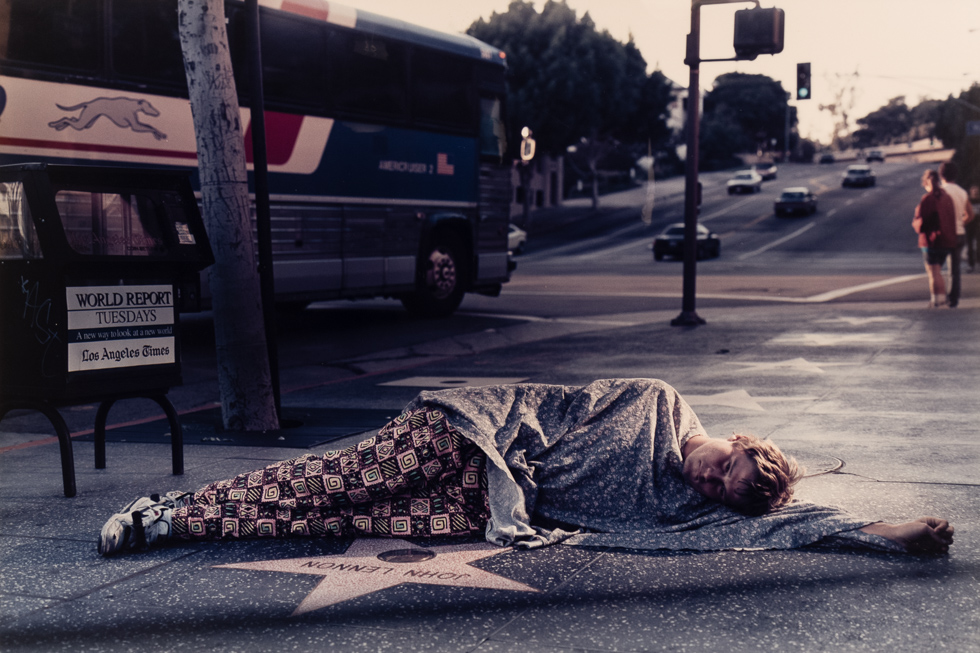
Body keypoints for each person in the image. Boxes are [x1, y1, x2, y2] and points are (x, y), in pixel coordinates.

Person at [98, 380, 953, 557]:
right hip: (468, 439)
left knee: (330, 520)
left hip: (485, 511)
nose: (704, 482)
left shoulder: (689, 508)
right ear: (732, 440)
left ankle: (176, 523)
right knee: (329, 481)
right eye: (720, 468)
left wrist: (891, 534)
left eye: (718, 494)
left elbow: (800, 526)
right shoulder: (655, 401)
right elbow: (537, 400)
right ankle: (165, 504)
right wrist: (500, 463)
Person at [913, 169, 958, 308]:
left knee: (933, 273)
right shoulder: (946, 197)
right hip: (946, 240)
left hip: (931, 241)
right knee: (938, 271)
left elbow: (922, 222)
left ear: (927, 183)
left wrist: (916, 222)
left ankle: (936, 300)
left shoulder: (927, 199)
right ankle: (941, 299)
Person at [938, 162, 975, 305]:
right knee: (955, 269)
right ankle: (953, 299)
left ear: (941, 175)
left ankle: (938, 296)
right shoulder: (962, 192)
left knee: (936, 267)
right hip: (959, 233)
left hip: (943, 234)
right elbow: (970, 214)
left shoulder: (940, 191)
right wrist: (960, 223)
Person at [967, 184, 980, 273]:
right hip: (969, 225)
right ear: (971, 192)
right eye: (973, 191)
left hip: (978, 225)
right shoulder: (968, 201)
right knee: (970, 246)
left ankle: (978, 263)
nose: (975, 192)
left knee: (979, 245)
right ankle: (970, 265)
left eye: (976, 191)